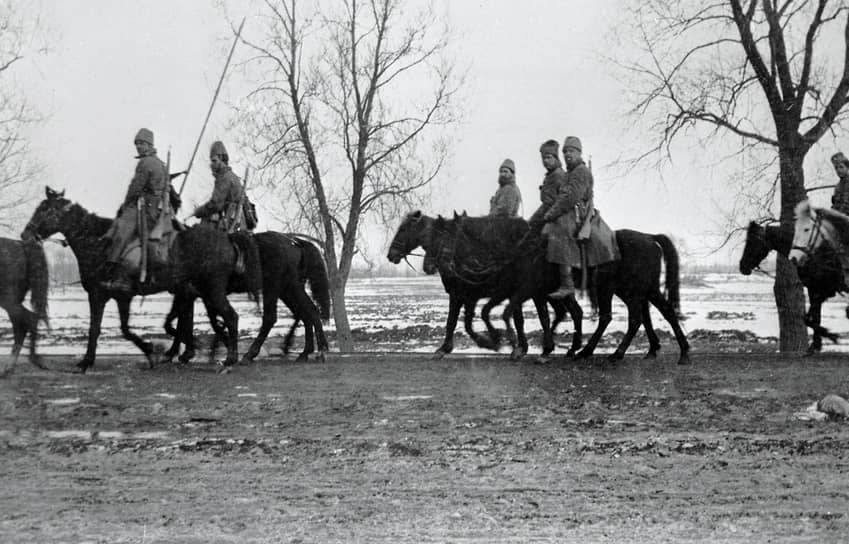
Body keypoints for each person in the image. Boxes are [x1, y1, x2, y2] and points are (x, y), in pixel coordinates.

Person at [102, 128, 169, 289]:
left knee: (121, 231)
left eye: (142, 143)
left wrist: (125, 205)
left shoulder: (145, 163)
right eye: (137, 144)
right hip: (159, 209)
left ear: (149, 145)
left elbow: (135, 188)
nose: (138, 147)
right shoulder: (160, 163)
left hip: (146, 209)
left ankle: (118, 274)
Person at [528, 139, 574, 299]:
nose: (546, 161)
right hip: (550, 215)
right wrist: (531, 221)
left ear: (556, 158)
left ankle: (565, 283)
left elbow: (558, 202)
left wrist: (544, 218)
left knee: (555, 240)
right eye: (543, 158)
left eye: (549, 157)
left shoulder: (559, 175)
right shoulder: (550, 176)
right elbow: (545, 203)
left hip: (561, 217)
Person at [193, 141, 248, 232]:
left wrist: (199, 211)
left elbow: (215, 204)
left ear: (221, 158)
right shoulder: (232, 176)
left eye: (214, 160)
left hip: (228, 222)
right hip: (237, 222)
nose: (212, 164)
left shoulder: (224, 177)